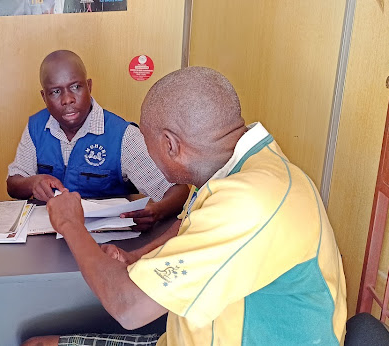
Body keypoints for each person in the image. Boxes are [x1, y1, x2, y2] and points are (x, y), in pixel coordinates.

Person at [24, 67, 347, 345]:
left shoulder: (250, 202)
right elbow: (195, 220)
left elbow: (128, 307)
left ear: (170, 144)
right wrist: (138, 256)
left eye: (148, 144)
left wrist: (70, 224)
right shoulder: (250, 168)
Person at [7, 50, 189, 229]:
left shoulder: (123, 136)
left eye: (76, 87)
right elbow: (14, 184)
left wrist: (156, 211)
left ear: (89, 86)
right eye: (55, 92)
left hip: (108, 241)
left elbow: (178, 192)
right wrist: (33, 183)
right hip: (48, 238)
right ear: (44, 97)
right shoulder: (35, 127)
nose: (67, 99)